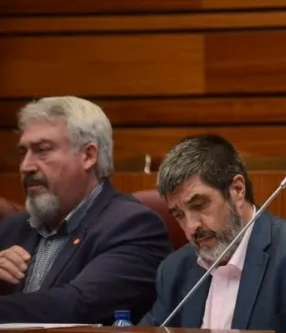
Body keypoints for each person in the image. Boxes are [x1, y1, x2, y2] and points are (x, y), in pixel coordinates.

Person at [139, 134, 286, 333]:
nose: (191, 227)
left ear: (237, 190)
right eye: (179, 214)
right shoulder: (175, 270)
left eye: (199, 205)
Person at [0, 96, 172, 324]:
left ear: (88, 156)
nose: (26, 166)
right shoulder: (11, 229)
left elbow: (76, 306)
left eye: (42, 150)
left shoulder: (134, 226)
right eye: (23, 153)